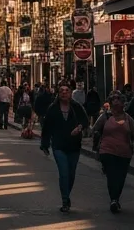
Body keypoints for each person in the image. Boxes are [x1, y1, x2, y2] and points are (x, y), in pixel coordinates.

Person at [40, 81, 90, 214]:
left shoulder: (76, 107)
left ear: (70, 93)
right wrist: (44, 144)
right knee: (64, 173)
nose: (64, 93)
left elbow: (85, 121)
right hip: (58, 145)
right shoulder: (53, 108)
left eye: (66, 90)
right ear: (58, 93)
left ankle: (67, 194)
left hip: (74, 146)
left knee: (71, 174)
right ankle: (65, 200)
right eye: (61, 90)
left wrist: (79, 128)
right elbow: (47, 127)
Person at [92, 93, 134, 214]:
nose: (116, 102)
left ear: (123, 103)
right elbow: (94, 129)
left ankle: (116, 198)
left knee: (121, 177)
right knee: (112, 175)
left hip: (124, 152)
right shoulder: (105, 117)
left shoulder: (128, 118)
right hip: (107, 150)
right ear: (110, 104)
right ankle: (113, 199)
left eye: (118, 100)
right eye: (113, 100)